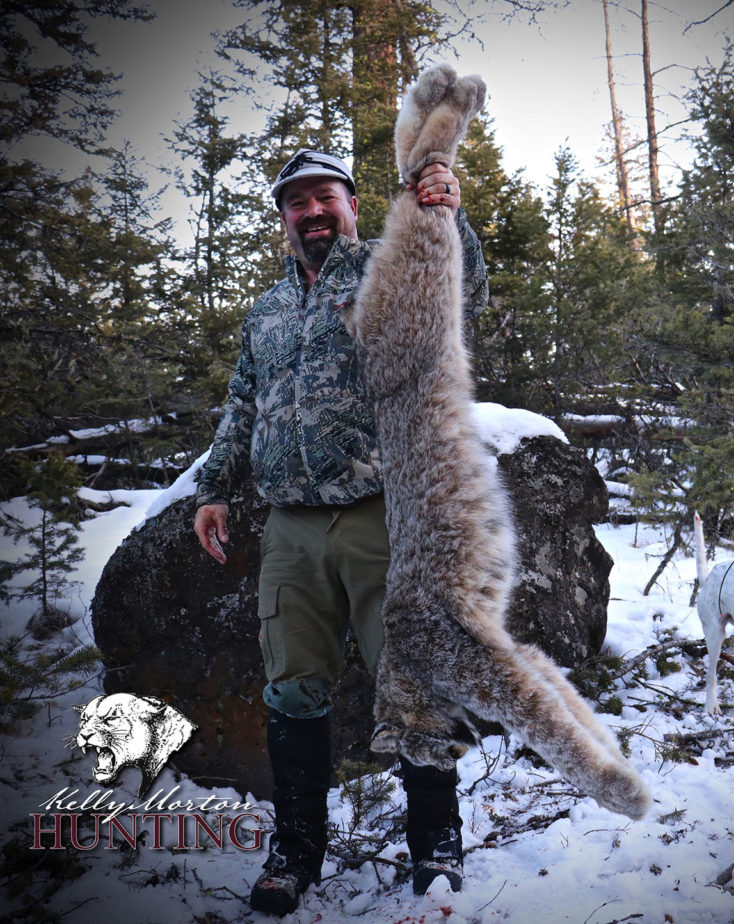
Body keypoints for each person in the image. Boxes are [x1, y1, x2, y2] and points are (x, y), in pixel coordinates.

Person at [193, 148, 488, 915]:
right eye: (297, 202)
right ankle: (296, 851)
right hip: (290, 529)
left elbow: (460, 293)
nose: (313, 211)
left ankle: (436, 843)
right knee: (292, 688)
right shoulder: (267, 309)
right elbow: (244, 401)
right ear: (284, 219)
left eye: (325, 196)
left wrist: (449, 216)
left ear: (352, 204)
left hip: (381, 515)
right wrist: (214, 489)